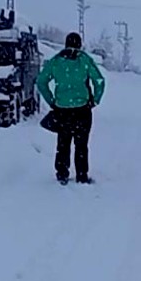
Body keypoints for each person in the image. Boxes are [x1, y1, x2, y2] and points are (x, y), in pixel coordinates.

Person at [36, 32, 106, 185]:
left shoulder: (56, 61)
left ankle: (62, 174)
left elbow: (41, 81)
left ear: (66, 44)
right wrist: (95, 100)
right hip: (82, 110)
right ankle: (81, 175)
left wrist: (52, 101)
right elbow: (99, 80)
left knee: (63, 143)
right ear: (80, 44)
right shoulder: (85, 60)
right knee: (81, 144)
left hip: (62, 110)